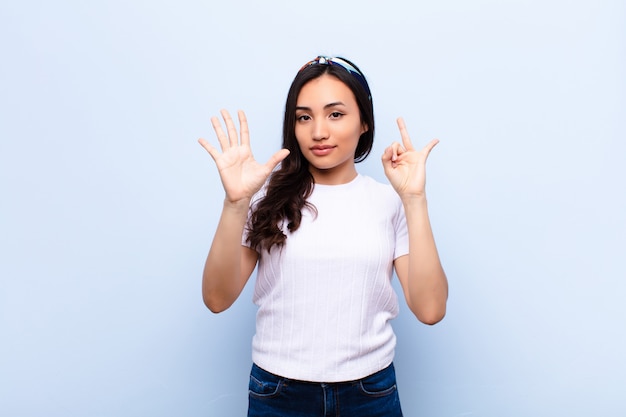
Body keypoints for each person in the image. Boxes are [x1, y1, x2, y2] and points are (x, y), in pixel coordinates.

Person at [198, 56, 448, 417]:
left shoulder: (389, 202)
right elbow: (216, 299)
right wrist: (236, 203)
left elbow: (431, 309)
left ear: (364, 121)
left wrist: (414, 199)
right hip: (278, 393)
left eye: (335, 114)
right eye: (304, 117)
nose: (318, 131)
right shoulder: (265, 197)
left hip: (370, 393)